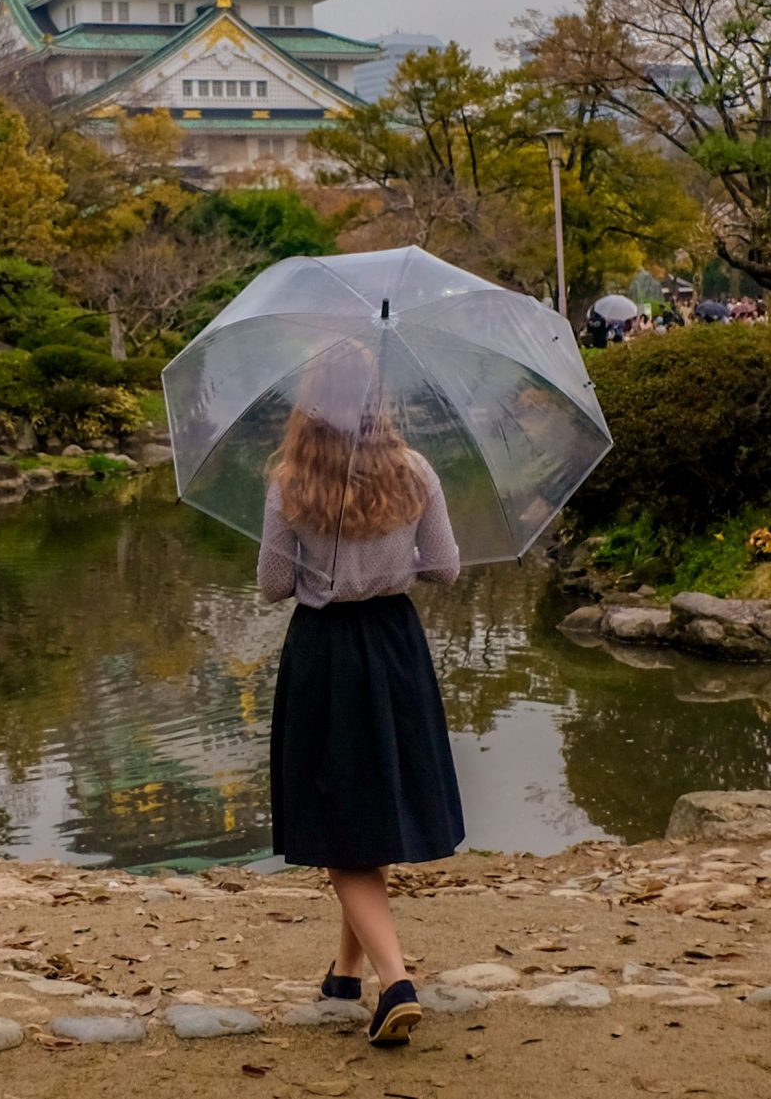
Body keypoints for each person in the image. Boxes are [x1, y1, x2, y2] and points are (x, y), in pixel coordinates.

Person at [257, 346, 463, 1049]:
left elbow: (273, 584)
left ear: (311, 402)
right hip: (394, 649)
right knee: (360, 813)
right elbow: (445, 565)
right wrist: (392, 554)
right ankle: (344, 976)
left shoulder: (290, 481)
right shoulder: (416, 472)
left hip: (325, 654)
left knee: (339, 818)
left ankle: (394, 980)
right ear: (379, 399)